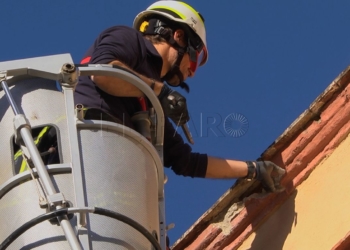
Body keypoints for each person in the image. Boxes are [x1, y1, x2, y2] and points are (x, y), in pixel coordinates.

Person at [74, 0, 285, 196]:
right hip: (85, 149)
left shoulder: (150, 102)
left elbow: (186, 162)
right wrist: (161, 92)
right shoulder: (129, 39)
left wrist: (254, 169)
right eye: (195, 60)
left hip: (114, 174)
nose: (192, 72)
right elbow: (103, 73)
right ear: (179, 37)